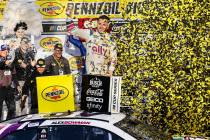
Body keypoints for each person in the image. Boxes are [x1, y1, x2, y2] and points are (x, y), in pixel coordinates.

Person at [0, 44, 19, 120]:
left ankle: (8, 125)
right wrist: (5, 63)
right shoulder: (3, 61)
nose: (6, 52)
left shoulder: (10, 61)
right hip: (0, 89)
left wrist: (17, 85)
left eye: (7, 50)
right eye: (4, 50)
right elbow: (1, 65)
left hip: (9, 88)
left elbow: (14, 75)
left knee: (12, 109)